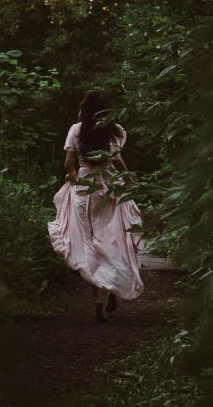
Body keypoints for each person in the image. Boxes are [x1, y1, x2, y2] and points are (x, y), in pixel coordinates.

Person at [48, 90, 144, 323]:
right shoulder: (116, 131)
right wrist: (131, 182)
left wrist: (75, 178)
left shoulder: (76, 130)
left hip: (85, 190)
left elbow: (68, 164)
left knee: (89, 241)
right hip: (111, 188)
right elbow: (117, 160)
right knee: (115, 237)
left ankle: (96, 301)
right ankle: (113, 289)